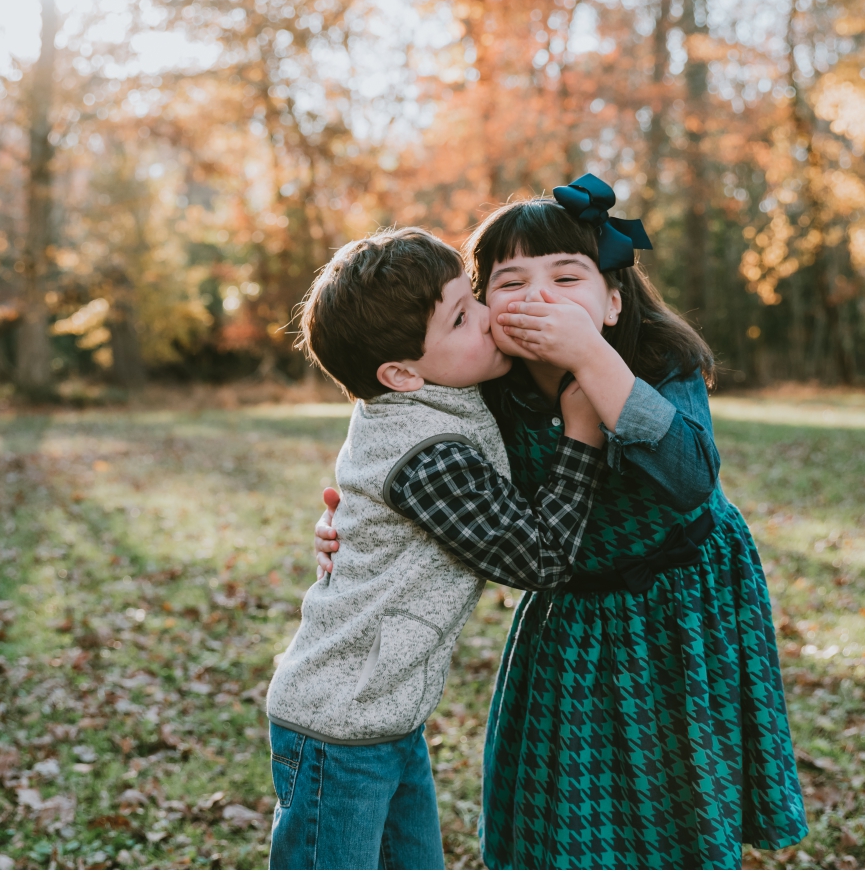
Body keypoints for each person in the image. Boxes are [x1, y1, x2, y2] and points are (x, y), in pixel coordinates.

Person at [315, 177, 808, 869]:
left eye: (567, 276)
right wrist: (352, 530)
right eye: (511, 280)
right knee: (568, 810)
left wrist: (592, 359)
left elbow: (690, 477)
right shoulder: (487, 386)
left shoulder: (660, 362)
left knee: (679, 792)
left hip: (685, 603)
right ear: (483, 307)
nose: (539, 295)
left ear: (613, 300)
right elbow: (400, 436)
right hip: (574, 612)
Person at [267, 227, 608, 870]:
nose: (487, 318)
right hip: (336, 731)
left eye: (472, 298)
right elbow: (541, 559)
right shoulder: (430, 456)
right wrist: (583, 437)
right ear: (400, 373)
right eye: (461, 317)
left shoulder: (438, 388)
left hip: (387, 718)